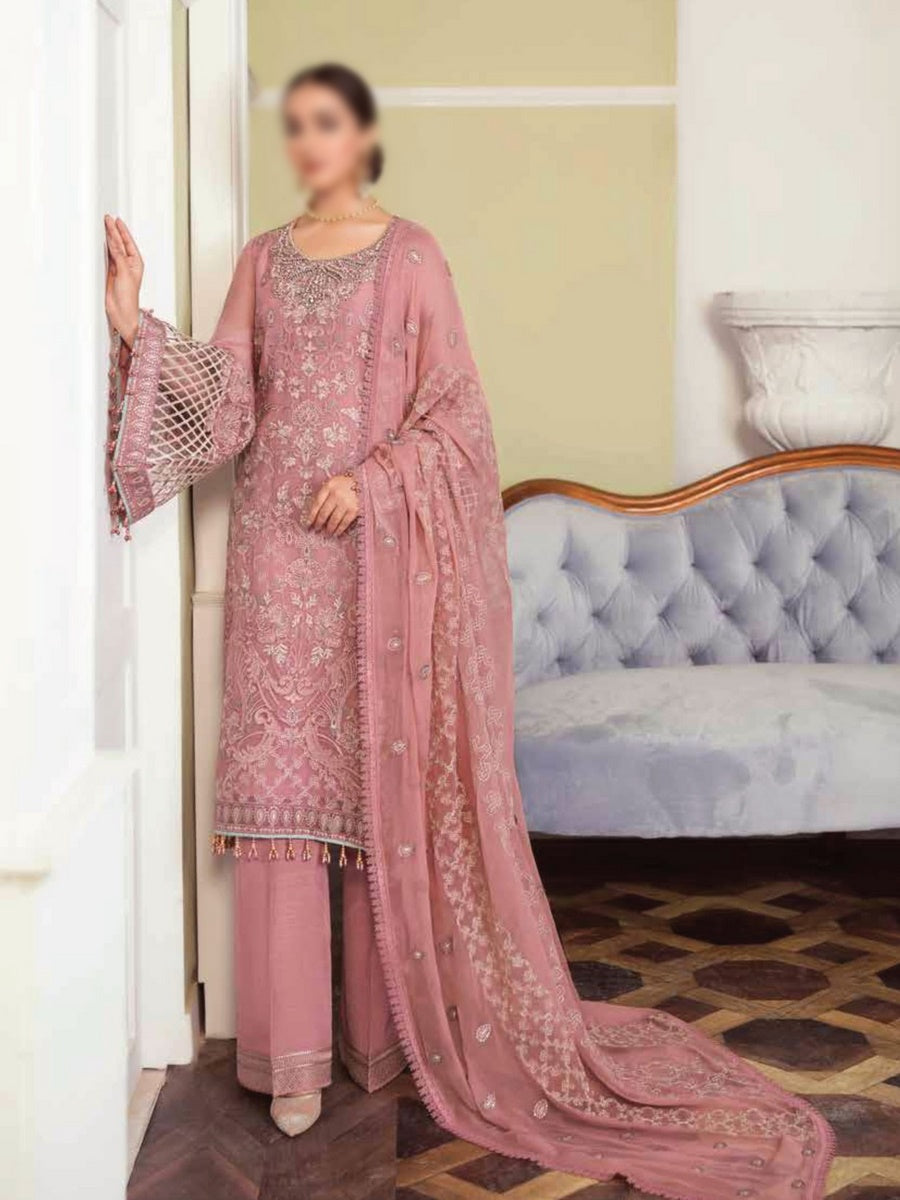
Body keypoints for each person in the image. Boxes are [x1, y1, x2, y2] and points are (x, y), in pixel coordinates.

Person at [104, 61, 832, 1197]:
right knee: (282, 801)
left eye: (327, 123)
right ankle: (290, 1064)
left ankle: (378, 1042)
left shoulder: (413, 258)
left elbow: (458, 419)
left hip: (376, 570)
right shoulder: (261, 260)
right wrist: (135, 327)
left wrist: (375, 481)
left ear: (363, 137)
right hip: (276, 564)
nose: (308, 143)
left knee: (374, 795)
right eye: (295, 126)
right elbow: (229, 401)